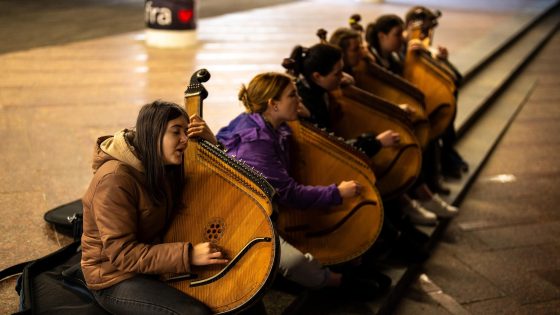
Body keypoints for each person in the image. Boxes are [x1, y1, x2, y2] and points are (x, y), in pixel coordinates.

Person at [216, 72, 391, 300]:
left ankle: (348, 259)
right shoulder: (254, 143)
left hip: (268, 207)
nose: (299, 100)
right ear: (273, 104)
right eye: (293, 95)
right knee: (294, 260)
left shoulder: (270, 122)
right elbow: (289, 193)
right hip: (243, 221)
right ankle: (335, 282)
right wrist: (336, 192)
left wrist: (306, 119)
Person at [81, 100, 227, 315]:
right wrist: (188, 255)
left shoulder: (162, 164)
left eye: (186, 132)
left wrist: (213, 144)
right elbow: (122, 254)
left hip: (152, 260)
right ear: (153, 134)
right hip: (114, 276)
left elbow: (211, 182)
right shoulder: (115, 179)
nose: (185, 140)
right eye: (176, 132)